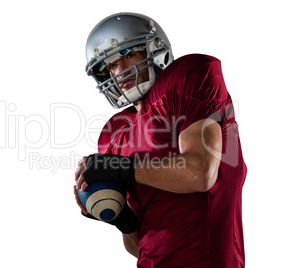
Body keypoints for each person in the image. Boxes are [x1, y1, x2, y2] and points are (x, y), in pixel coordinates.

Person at [74, 12, 247, 268]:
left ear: (153, 50)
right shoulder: (116, 132)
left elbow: (200, 173)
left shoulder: (189, 77)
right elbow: (141, 246)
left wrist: (121, 168)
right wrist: (123, 220)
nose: (120, 71)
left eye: (128, 55)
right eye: (110, 66)